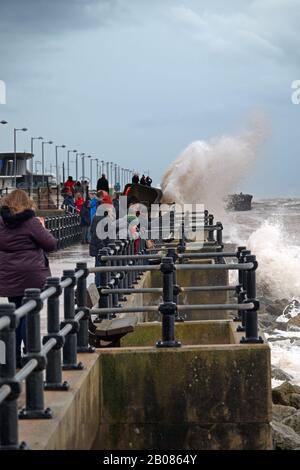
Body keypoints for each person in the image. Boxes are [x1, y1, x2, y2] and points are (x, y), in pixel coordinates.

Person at [0, 190, 57, 367]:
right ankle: (31, 353)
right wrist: (43, 227)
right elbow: (51, 244)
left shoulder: (1, 222)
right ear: (27, 203)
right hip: (32, 276)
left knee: (14, 313)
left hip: (9, 275)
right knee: (28, 313)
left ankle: (12, 356)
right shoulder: (31, 222)